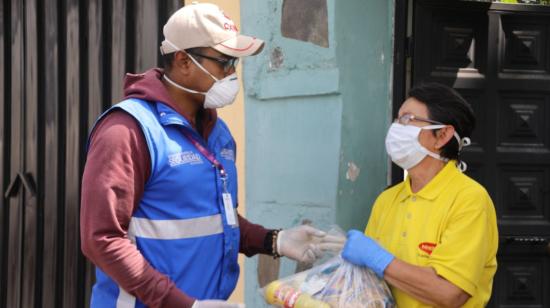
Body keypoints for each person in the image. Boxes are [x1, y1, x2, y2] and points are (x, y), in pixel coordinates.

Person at [80, 3, 339, 308]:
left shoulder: (218, 133)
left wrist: (274, 240)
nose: (232, 73)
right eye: (224, 62)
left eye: (236, 63)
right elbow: (102, 240)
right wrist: (183, 305)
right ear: (183, 61)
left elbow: (218, 220)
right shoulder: (128, 131)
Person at [342, 83, 498, 307]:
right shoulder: (387, 200)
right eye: (397, 119)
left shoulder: (469, 200)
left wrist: (379, 260)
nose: (396, 127)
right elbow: (369, 286)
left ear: (442, 135)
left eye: (407, 119)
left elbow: (449, 293)